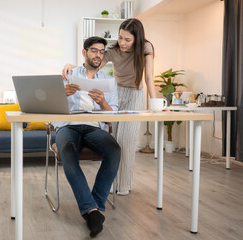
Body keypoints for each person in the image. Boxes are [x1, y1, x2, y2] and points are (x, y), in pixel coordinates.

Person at [62, 18, 156, 196]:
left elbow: (149, 77)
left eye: (127, 40)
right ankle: (110, 182)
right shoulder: (113, 50)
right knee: (113, 140)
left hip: (135, 94)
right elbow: (93, 66)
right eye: (120, 37)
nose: (122, 43)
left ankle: (124, 185)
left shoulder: (146, 48)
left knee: (127, 141)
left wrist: (155, 103)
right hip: (115, 92)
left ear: (137, 39)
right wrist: (71, 66)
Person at [53, 36, 121, 238]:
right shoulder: (68, 74)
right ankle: (93, 212)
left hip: (94, 127)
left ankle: (94, 205)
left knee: (115, 150)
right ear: (84, 52)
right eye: (94, 50)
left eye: (101, 52)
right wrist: (62, 94)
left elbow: (113, 116)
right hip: (68, 126)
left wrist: (103, 104)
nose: (98, 55)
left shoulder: (109, 82)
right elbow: (51, 107)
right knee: (67, 151)